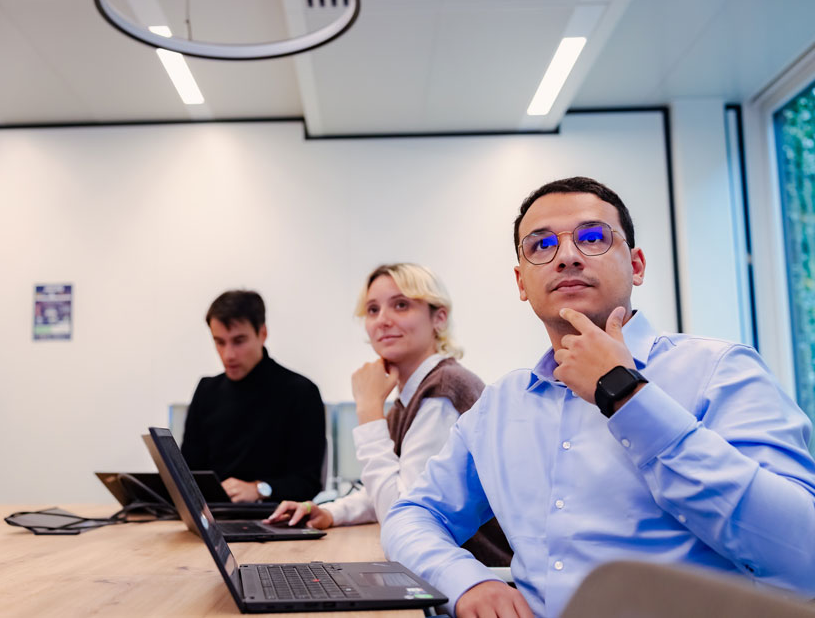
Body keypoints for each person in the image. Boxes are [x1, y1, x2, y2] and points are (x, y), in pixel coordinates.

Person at [382, 177, 815, 618]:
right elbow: (412, 514)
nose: (567, 256)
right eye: (540, 246)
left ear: (637, 265)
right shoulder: (502, 405)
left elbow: (803, 558)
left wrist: (626, 394)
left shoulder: (720, 371)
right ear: (521, 282)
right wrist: (466, 581)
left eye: (592, 238)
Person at [266, 264, 511, 565]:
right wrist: (330, 513)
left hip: (477, 581)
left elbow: (401, 514)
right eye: (372, 310)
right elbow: (388, 492)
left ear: (439, 317)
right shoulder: (411, 398)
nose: (382, 320)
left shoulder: (444, 391)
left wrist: (368, 409)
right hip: (448, 568)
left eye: (401, 305)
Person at [181, 290, 325, 503]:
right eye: (220, 342)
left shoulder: (300, 392)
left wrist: (260, 489)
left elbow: (308, 482)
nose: (228, 354)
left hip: (273, 517)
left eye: (239, 341)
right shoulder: (206, 391)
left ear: (262, 333)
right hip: (211, 516)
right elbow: (187, 475)